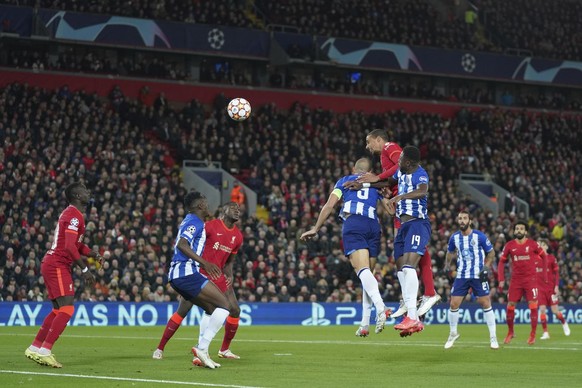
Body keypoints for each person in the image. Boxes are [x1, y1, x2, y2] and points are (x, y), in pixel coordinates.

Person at [301, 158, 391, 336]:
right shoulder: (375, 183)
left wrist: (315, 228)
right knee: (367, 277)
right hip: (374, 226)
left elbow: (329, 206)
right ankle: (365, 324)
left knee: (362, 271)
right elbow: (389, 208)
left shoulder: (344, 181)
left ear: (353, 169)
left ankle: (381, 308)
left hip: (354, 223)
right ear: (369, 171)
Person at [358, 129, 440, 318]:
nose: (367, 146)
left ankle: (427, 294)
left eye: (369, 142)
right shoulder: (386, 160)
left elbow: (397, 167)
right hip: (400, 207)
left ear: (379, 140)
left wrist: (379, 178)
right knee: (400, 256)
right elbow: (393, 177)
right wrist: (369, 184)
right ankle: (410, 298)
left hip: (408, 206)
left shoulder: (390, 147)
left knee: (413, 252)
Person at [24, 182, 102, 368]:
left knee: (58, 310)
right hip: (58, 264)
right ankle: (45, 351)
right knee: (67, 309)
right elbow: (68, 246)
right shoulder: (74, 215)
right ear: (76, 196)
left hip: (52, 263)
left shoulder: (73, 214)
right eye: (84, 189)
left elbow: (76, 245)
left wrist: (93, 254)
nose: (88, 191)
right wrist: (85, 269)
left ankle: (35, 347)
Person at [153, 202, 244, 361]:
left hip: (219, 276)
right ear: (224, 210)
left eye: (239, 209)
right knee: (183, 310)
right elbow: (189, 243)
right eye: (234, 208)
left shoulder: (238, 236)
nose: (237, 211)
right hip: (199, 273)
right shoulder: (209, 226)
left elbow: (230, 261)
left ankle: (223, 349)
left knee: (234, 309)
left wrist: (229, 276)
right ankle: (160, 348)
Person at [443, 210, 499, 349]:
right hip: (462, 275)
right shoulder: (454, 238)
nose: (461, 220)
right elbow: (450, 252)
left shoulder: (479, 236)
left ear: (470, 221)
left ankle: (493, 337)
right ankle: (453, 333)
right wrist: (446, 265)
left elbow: (491, 253)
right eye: (460, 218)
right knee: (453, 304)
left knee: (485, 302)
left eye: (464, 218)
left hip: (478, 274)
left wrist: (486, 267)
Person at [498, 221, 546, 345]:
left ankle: (533, 334)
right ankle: (510, 332)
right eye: (517, 229)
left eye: (521, 229)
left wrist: (544, 275)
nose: (519, 230)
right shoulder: (509, 245)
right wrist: (501, 279)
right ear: (514, 231)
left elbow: (544, 257)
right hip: (516, 280)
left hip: (530, 280)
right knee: (510, 305)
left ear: (525, 232)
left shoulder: (533, 244)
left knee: (533, 305)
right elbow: (501, 262)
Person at [536, 239, 570, 339]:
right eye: (539, 245)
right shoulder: (535, 259)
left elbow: (556, 274)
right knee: (542, 310)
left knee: (555, 311)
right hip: (540, 289)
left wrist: (556, 286)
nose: (540, 246)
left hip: (550, 289)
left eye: (541, 245)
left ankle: (564, 323)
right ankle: (546, 333)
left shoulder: (551, 258)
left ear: (546, 246)